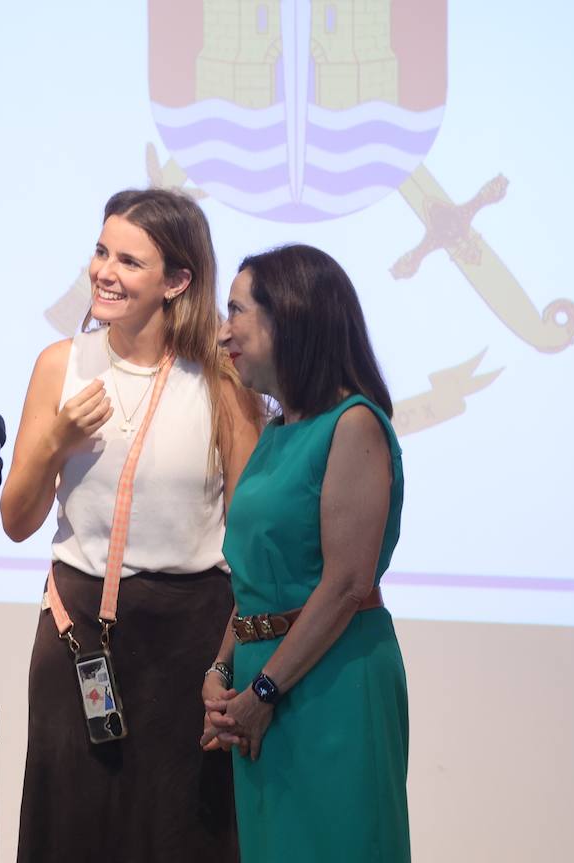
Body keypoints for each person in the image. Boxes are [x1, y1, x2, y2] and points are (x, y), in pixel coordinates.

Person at [0, 188, 263, 862]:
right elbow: (17, 519)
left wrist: (239, 663)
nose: (103, 271)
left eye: (129, 260)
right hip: (76, 632)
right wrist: (55, 437)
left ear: (177, 281)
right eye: (100, 250)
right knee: (72, 829)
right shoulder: (62, 364)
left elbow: (255, 534)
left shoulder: (221, 382)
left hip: (189, 644)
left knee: (180, 834)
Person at [202, 244, 410, 862]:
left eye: (236, 311)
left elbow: (347, 584)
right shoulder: (275, 434)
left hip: (331, 683)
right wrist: (220, 673)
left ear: (288, 315)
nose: (222, 333)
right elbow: (254, 582)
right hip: (261, 688)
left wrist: (262, 692)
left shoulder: (354, 424)